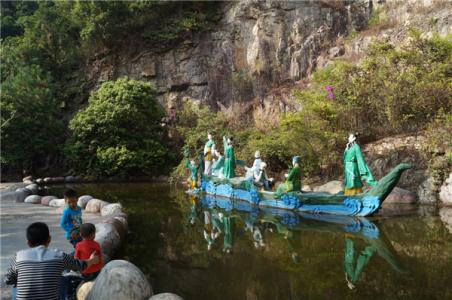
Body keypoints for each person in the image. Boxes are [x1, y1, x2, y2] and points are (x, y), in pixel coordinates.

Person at [4, 222, 99, 300]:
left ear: (28, 243)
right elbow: (80, 265)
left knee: (17, 282)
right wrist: (91, 260)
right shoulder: (58, 255)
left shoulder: (19, 256)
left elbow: (7, 280)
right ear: (49, 239)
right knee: (61, 277)